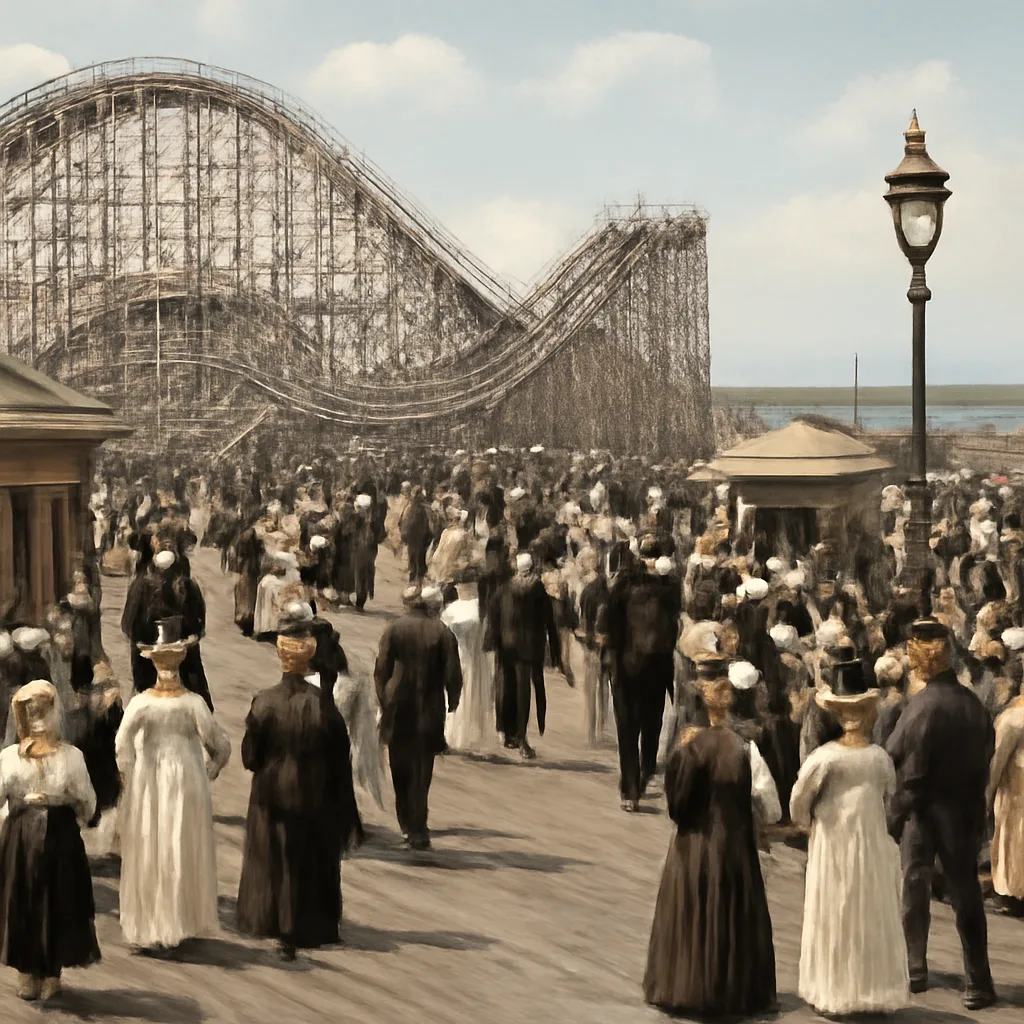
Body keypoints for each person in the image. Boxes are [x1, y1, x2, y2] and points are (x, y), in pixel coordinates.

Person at [643, 656, 777, 1018]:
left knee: (693, 912)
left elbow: (677, 807)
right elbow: (769, 802)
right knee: (732, 913)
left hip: (693, 846)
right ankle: (733, 989)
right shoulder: (745, 748)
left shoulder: (688, 748)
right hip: (735, 844)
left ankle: (689, 986)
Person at [885, 616, 997, 1010]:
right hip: (964, 813)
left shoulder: (921, 708)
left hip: (924, 814)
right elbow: (986, 756)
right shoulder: (974, 706)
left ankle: (914, 968)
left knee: (914, 888)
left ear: (920, 662)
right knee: (966, 894)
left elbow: (904, 767)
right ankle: (978, 980)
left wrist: (893, 816)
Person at [236, 619, 364, 960]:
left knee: (274, 858)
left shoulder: (264, 702)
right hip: (313, 794)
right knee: (308, 859)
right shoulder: (323, 706)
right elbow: (340, 754)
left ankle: (275, 922)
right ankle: (308, 925)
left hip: (270, 793)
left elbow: (250, 757)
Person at [790, 659, 909, 1016]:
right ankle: (870, 990)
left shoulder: (823, 758)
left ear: (839, 715)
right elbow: (890, 796)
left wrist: (807, 826)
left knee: (836, 912)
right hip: (870, 841)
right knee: (869, 913)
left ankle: (836, 991)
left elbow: (798, 801)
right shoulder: (879, 758)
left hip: (834, 843)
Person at [115, 617, 231, 955]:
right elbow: (220, 747)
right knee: (180, 846)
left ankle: (153, 925)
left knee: (153, 847)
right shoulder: (193, 703)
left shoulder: (141, 703)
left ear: (153, 663)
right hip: (186, 781)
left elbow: (122, 746)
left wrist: (132, 776)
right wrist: (207, 771)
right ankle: (179, 923)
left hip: (150, 782)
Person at [0, 681, 100, 1002]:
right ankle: (29, 971)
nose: (38, 719)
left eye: (41, 711)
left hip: (56, 836)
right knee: (25, 900)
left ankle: (49, 972)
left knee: (56, 901)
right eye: (33, 713)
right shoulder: (10, 759)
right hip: (25, 836)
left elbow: (87, 803)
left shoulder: (70, 758)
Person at [374, 586, 463, 850]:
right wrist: (454, 699)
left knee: (399, 769)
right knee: (422, 773)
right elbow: (453, 673)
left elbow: (381, 671)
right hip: (429, 708)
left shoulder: (394, 628)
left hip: (398, 707)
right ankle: (418, 828)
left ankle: (405, 824)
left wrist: (384, 700)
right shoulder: (442, 632)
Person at [483, 552, 564, 760]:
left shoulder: (504, 589)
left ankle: (507, 733)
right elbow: (549, 622)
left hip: (506, 646)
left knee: (506, 688)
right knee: (523, 692)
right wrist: (556, 654)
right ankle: (522, 738)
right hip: (529, 648)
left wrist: (491, 642)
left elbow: (493, 614)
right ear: (532, 567)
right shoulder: (538, 591)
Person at [986, 674, 1024, 915]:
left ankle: (1011, 894)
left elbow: (996, 761)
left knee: (1013, 841)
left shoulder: (1013, 719)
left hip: (1016, 791)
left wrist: (986, 795)